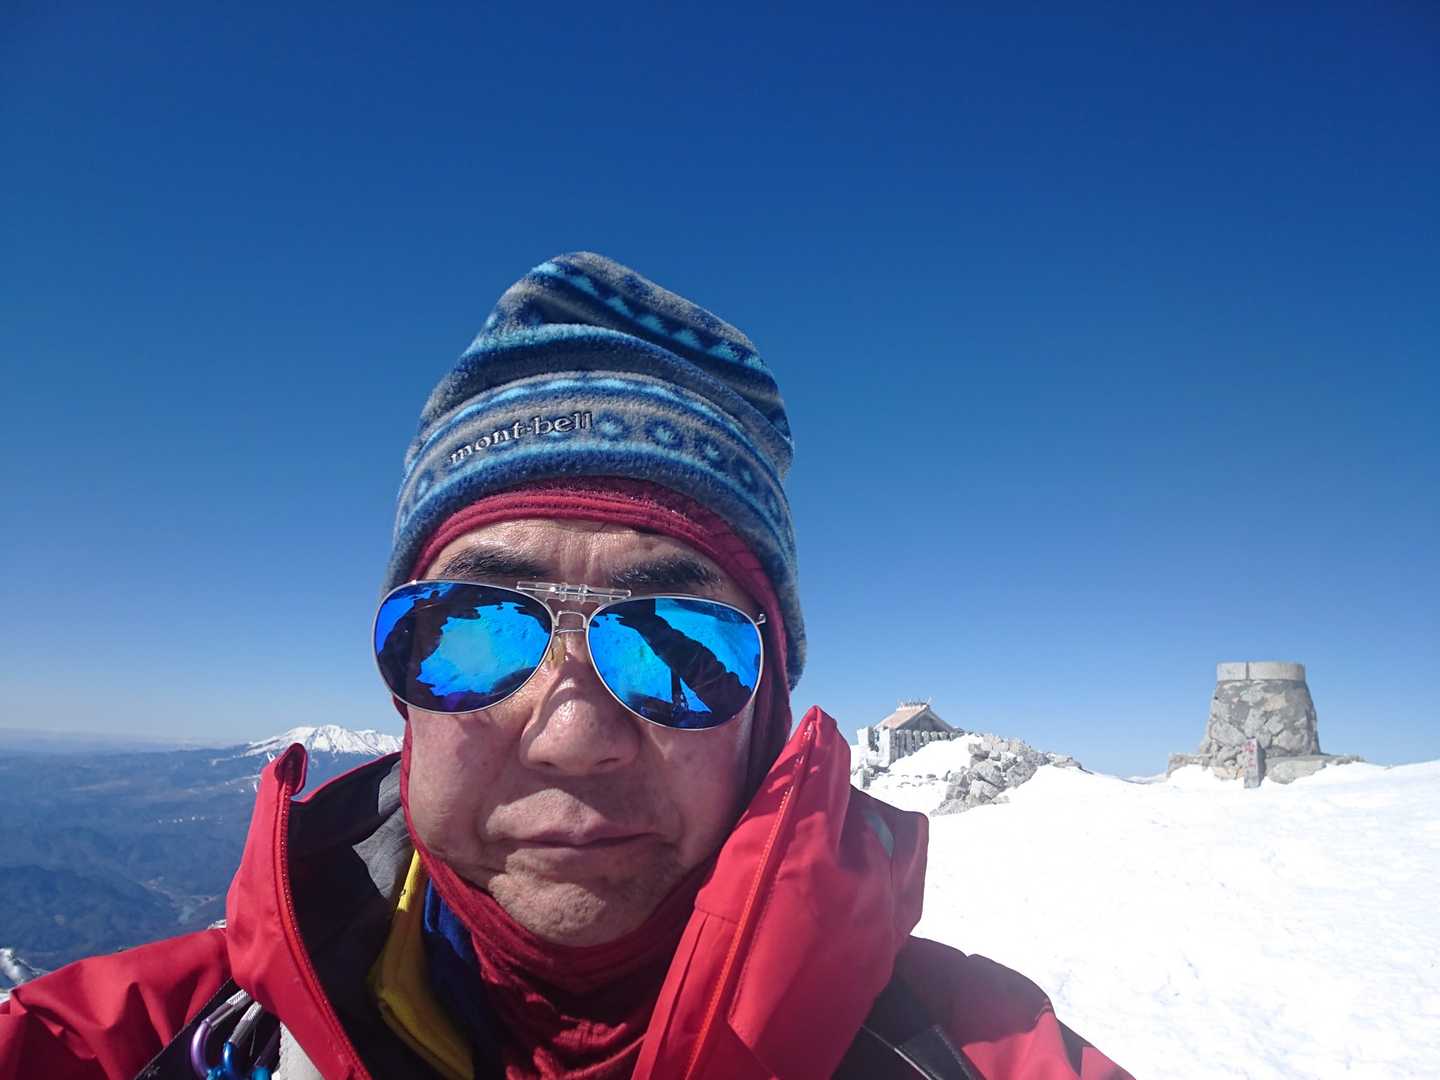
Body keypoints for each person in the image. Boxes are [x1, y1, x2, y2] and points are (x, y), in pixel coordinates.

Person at [0, 253, 1131, 1079]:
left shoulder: (971, 1054)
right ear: (403, 687)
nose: (573, 736)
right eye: (477, 630)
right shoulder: (149, 1045)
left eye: (679, 646)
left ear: (767, 711)